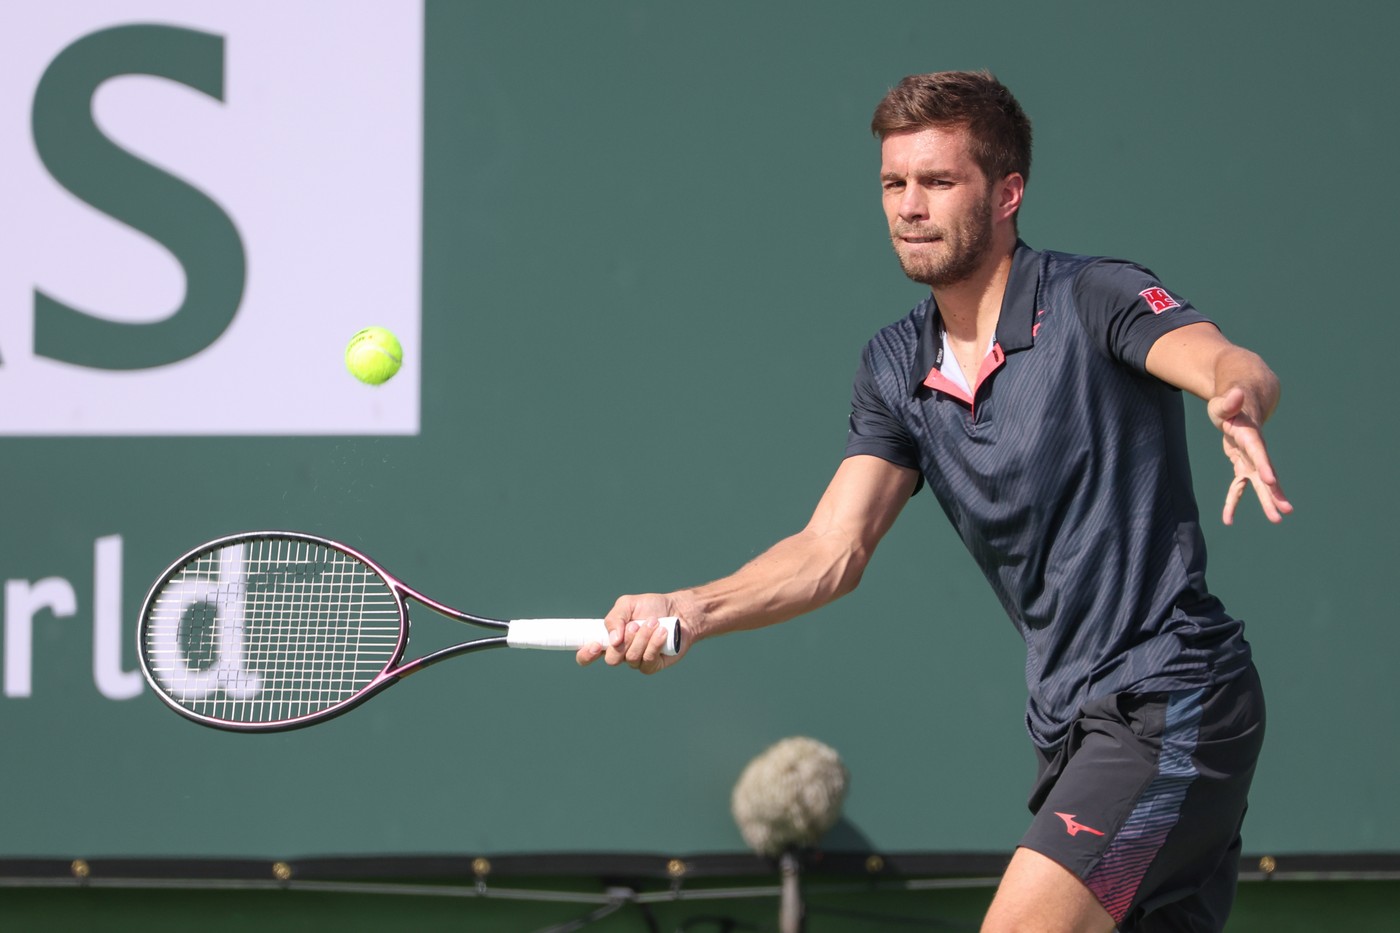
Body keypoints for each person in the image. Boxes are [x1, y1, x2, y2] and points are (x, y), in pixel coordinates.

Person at [577, 70, 1290, 933]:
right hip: (1071, 726)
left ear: (1006, 193)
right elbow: (830, 550)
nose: (909, 205)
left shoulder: (1091, 297)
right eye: (894, 183)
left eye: (938, 181)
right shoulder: (893, 367)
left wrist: (1234, 394)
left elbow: (1220, 357)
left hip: (1170, 703)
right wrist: (686, 608)